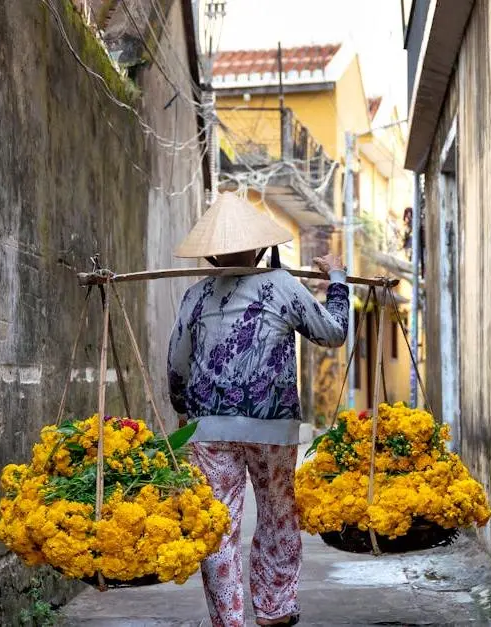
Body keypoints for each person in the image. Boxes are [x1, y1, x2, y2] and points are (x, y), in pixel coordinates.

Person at [166, 192, 349, 627]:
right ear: (258, 246)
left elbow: (177, 364)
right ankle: (275, 607)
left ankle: (229, 620)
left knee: (219, 526)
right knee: (277, 513)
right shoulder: (283, 286)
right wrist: (338, 280)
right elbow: (333, 333)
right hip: (273, 429)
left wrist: (183, 410)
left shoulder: (195, 296)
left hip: (209, 430)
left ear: (212, 252)